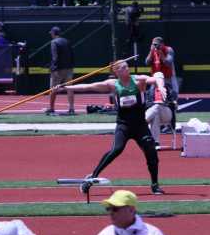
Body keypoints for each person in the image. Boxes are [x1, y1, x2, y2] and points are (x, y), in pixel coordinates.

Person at [64, 60, 166, 195]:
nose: (127, 68)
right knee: (116, 150)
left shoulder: (137, 80)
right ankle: (91, 177)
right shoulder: (112, 85)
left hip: (140, 125)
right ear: (116, 71)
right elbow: (88, 87)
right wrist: (65, 87)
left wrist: (161, 86)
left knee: (151, 151)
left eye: (127, 66)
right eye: (123, 67)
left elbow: (156, 77)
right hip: (124, 125)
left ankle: (155, 185)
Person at [46, 26, 74, 115]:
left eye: (51, 33)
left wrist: (53, 68)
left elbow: (55, 57)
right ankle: (71, 108)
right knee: (70, 89)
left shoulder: (53, 42)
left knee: (53, 89)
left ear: (53, 33)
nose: (50, 34)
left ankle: (51, 108)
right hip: (69, 68)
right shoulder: (67, 41)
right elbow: (72, 55)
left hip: (58, 69)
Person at [145, 82, 176, 150]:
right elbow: (146, 104)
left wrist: (165, 103)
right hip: (155, 113)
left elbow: (173, 103)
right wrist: (154, 103)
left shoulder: (169, 89)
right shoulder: (149, 90)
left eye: (160, 79)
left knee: (157, 106)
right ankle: (156, 142)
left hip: (166, 114)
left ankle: (143, 121)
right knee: (156, 115)